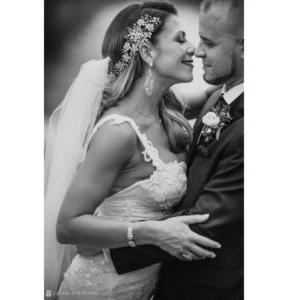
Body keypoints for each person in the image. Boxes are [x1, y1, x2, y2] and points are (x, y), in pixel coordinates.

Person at [44, 2, 221, 299]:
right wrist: (155, 232)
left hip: (146, 287)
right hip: (102, 288)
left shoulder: (170, 109)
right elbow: (67, 226)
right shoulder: (118, 133)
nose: (194, 49)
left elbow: (218, 94)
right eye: (180, 39)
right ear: (147, 52)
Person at [109, 0, 244, 299]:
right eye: (187, 37)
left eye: (209, 42)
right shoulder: (219, 96)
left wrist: (111, 247)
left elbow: (206, 223)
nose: (197, 50)